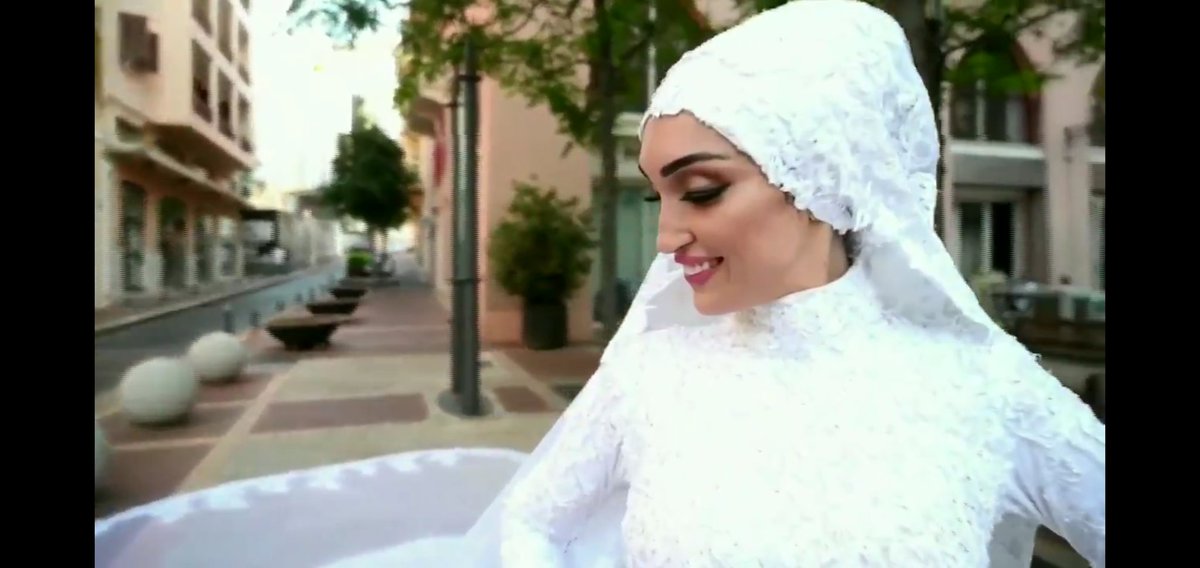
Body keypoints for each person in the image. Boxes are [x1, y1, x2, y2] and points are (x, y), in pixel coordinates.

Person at [457, 1, 1105, 566]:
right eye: (658, 198)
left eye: (701, 192)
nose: (666, 238)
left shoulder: (987, 388)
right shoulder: (648, 373)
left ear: (823, 179)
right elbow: (531, 520)